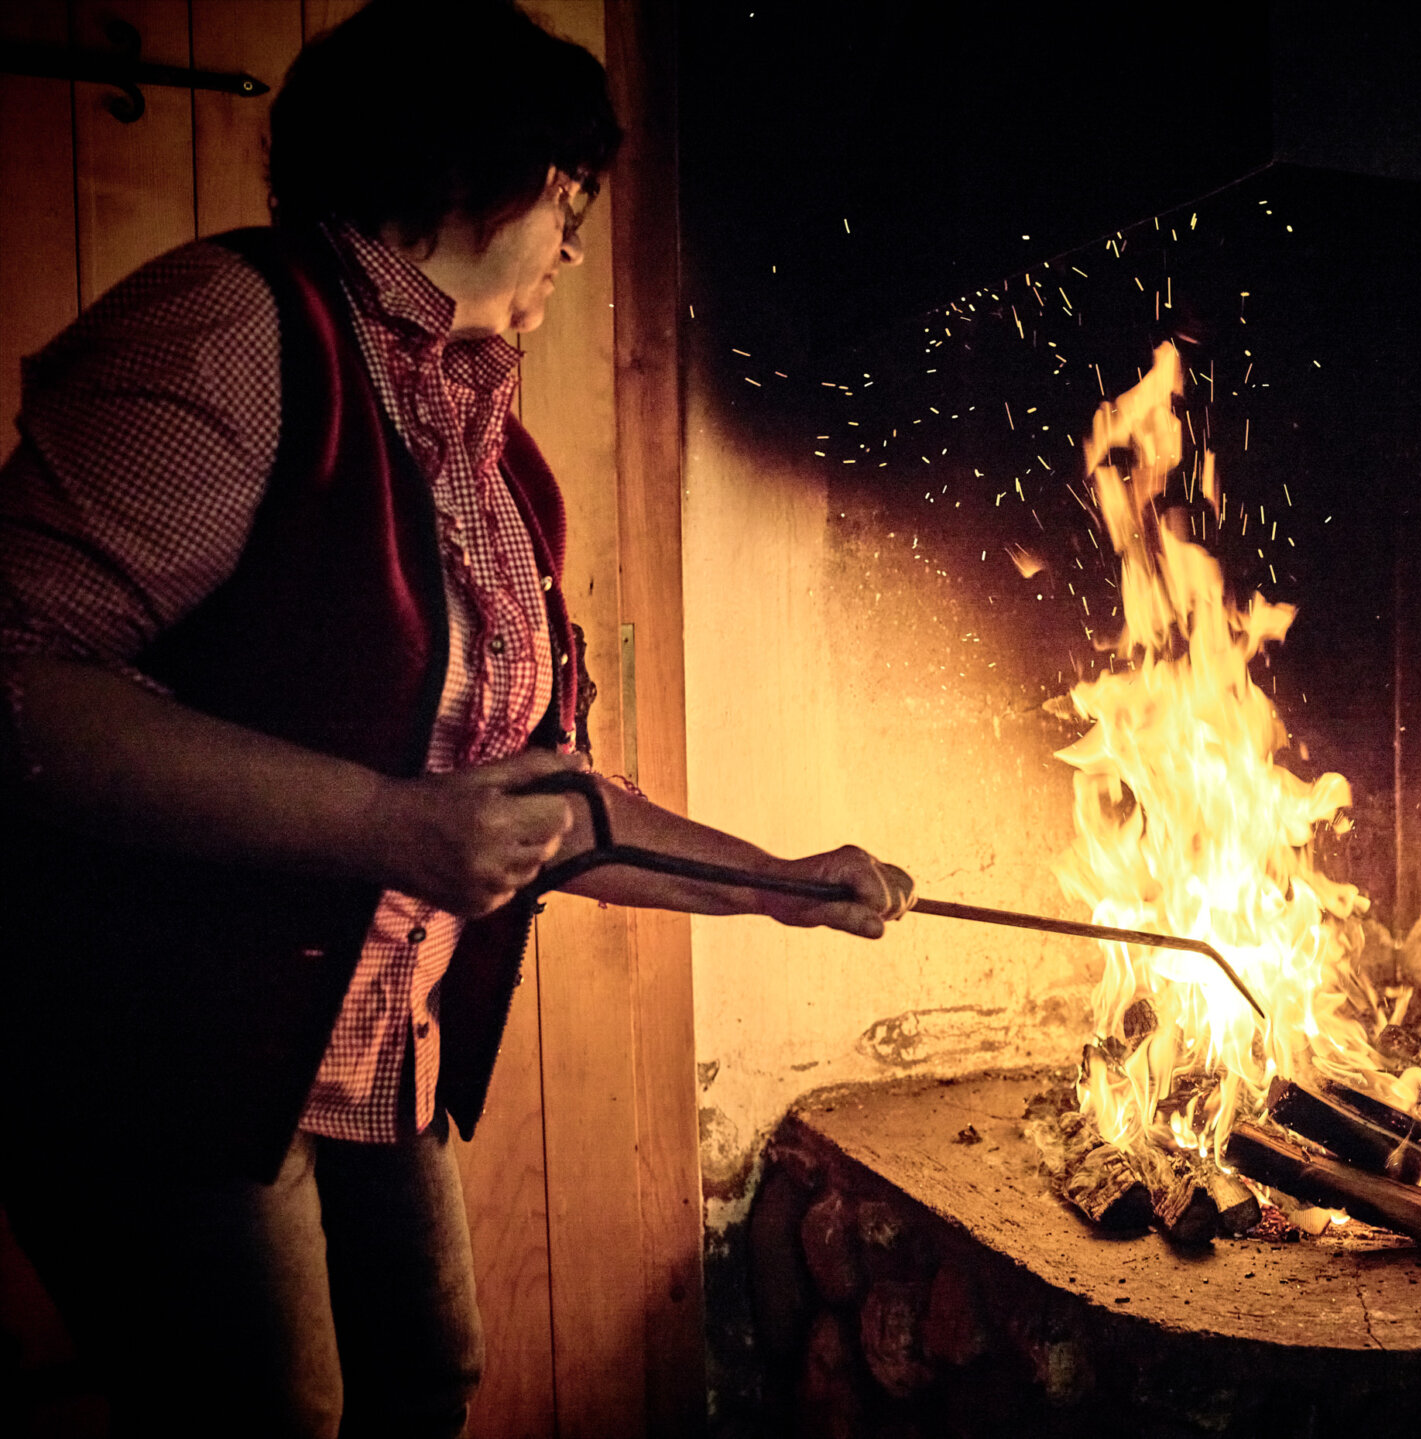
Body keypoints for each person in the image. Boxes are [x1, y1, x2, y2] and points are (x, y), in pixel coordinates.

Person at [0, 3, 911, 1434]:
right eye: (574, 196)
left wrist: (776, 885)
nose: (576, 237)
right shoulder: (236, 330)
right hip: (169, 1050)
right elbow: (15, 684)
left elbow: (533, 809)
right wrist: (388, 823)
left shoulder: (495, 463)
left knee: (429, 1382)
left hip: (373, 1047)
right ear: (506, 169)